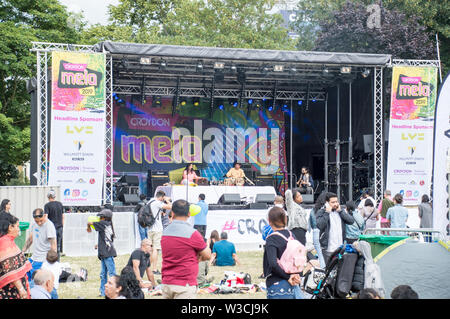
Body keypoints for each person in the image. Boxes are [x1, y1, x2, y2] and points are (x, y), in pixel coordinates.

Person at [160, 199, 211, 299]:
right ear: (189, 214)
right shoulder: (192, 233)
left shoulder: (165, 232)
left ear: (172, 213)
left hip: (167, 283)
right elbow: (207, 255)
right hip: (184, 284)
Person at [263, 206, 302, 299]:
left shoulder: (272, 239)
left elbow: (273, 263)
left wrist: (286, 277)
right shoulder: (291, 235)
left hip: (277, 284)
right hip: (294, 282)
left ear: (269, 221)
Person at [315, 192, 355, 265]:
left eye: (336, 201)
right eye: (333, 202)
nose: (336, 204)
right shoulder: (321, 212)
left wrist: (340, 211)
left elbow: (351, 221)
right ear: (327, 203)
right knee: (329, 269)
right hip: (328, 248)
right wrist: (327, 212)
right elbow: (320, 225)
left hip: (340, 247)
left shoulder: (340, 211)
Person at [86, 209, 117, 297]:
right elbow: (104, 237)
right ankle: (103, 292)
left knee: (111, 273)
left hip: (107, 253)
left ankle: (113, 291)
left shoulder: (104, 224)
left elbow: (90, 224)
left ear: (105, 218)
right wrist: (98, 245)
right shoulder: (106, 224)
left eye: (101, 217)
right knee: (103, 274)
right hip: (104, 252)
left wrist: (89, 223)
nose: (99, 218)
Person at [0, 213, 31, 299]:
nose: (19, 229)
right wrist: (21, 289)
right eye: (17, 226)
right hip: (10, 292)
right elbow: (10, 270)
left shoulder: (8, 240)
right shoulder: (4, 242)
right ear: (10, 227)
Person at [23, 208, 57, 280]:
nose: (39, 223)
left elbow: (53, 245)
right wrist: (22, 251)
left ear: (44, 216)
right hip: (34, 257)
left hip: (43, 259)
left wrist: (51, 262)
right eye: (37, 221)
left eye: (41, 221)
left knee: (35, 280)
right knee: (24, 275)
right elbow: (30, 239)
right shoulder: (34, 224)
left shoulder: (49, 226)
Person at [148, 190, 172, 275]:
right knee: (156, 249)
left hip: (149, 228)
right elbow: (170, 207)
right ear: (161, 197)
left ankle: (148, 267)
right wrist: (167, 200)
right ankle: (154, 269)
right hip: (157, 229)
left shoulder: (150, 201)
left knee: (150, 249)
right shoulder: (158, 202)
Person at [308, 192, 327, 268]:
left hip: (315, 232)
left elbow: (311, 225)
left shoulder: (313, 210)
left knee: (319, 254)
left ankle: (321, 269)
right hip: (323, 232)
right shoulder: (326, 210)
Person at [43, 190, 64, 258]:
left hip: (51, 229)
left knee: (50, 246)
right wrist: (62, 226)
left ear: (48, 197)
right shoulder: (60, 204)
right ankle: (57, 262)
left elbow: (45, 217)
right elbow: (63, 216)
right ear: (55, 196)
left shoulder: (47, 205)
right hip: (60, 227)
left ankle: (50, 261)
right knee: (58, 246)